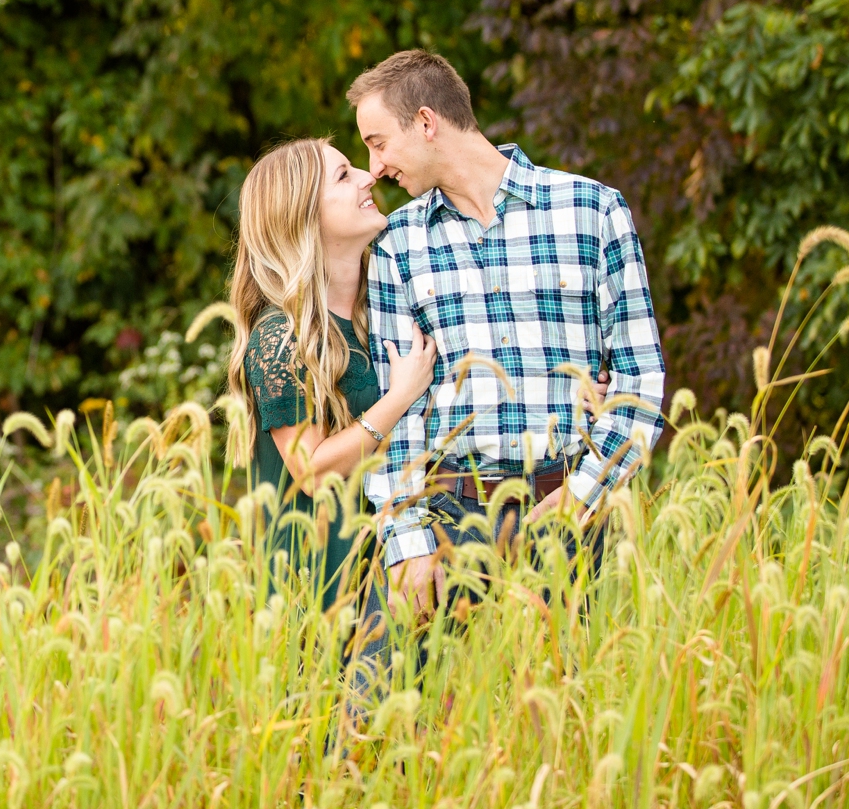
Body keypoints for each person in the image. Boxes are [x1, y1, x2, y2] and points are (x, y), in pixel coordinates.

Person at [348, 50, 667, 621]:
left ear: (426, 122)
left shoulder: (592, 211)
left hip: (566, 515)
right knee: (371, 705)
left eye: (377, 142)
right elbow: (400, 414)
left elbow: (640, 379)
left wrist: (581, 495)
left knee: (554, 707)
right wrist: (408, 543)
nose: (373, 167)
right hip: (445, 518)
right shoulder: (398, 244)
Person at [226, 138, 437, 615]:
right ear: (302, 216)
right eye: (344, 176)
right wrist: (398, 397)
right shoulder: (283, 336)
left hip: (397, 570)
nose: (368, 177)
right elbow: (312, 470)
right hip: (318, 586)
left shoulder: (387, 309)